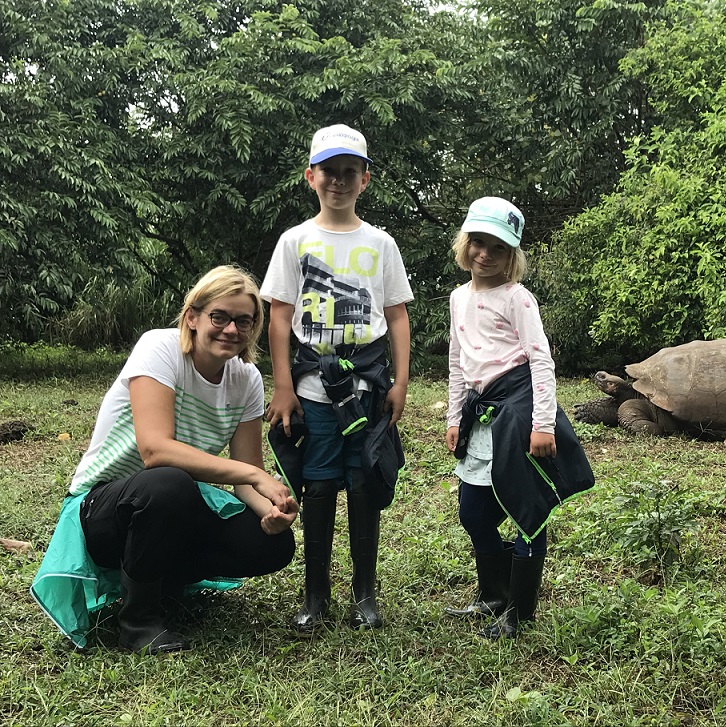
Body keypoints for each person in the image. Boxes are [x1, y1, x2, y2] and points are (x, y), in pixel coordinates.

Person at [30, 265, 299, 655]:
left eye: (244, 321)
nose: (230, 330)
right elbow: (154, 450)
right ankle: (138, 622)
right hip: (103, 509)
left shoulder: (247, 379)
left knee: (272, 545)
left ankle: (166, 584)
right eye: (219, 317)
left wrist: (271, 512)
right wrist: (254, 474)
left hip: (171, 504)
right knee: (169, 482)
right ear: (192, 316)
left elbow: (245, 482)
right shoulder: (160, 348)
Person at [261, 123, 412, 633]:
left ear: (365, 179)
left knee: (364, 483)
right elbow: (280, 316)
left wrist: (401, 382)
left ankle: (365, 595)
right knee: (319, 485)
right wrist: (282, 384)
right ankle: (315, 595)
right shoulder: (295, 240)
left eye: (350, 172)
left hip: (368, 384)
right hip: (312, 386)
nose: (339, 181)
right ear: (311, 176)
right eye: (329, 171)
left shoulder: (381, 243)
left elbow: (396, 316)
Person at [444, 197, 594, 639]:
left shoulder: (517, 298)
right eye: (477, 243)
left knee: (529, 510)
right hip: (482, 411)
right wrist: (454, 417)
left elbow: (540, 361)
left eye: (497, 247)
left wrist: (543, 424)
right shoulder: (457, 298)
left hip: (521, 408)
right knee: (474, 513)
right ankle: (494, 592)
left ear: (512, 255)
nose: (485, 254)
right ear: (465, 244)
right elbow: (458, 362)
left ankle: (519, 613)